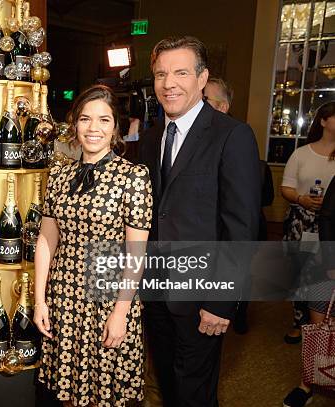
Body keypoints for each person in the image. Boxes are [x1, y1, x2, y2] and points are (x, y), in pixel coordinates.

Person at [138, 36, 261, 406]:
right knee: (167, 384)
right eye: (160, 74)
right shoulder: (151, 137)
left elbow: (242, 226)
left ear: (202, 78)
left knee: (195, 392)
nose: (168, 83)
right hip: (155, 292)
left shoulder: (232, 135)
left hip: (202, 295)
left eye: (180, 72)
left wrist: (222, 301)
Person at [33, 84, 153, 406]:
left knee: (105, 393)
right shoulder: (58, 176)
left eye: (103, 120)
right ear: (75, 124)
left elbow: (136, 255)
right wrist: (40, 300)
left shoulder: (133, 177)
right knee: (68, 390)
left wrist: (122, 312)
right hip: (64, 296)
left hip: (108, 297)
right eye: (85, 119)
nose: (93, 128)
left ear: (116, 127)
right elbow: (47, 239)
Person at [203, 76, 275, 334]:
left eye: (204, 99)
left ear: (222, 107)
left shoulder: (237, 137)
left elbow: (249, 208)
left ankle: (238, 310)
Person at [280, 101, 335, 344]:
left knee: (322, 276)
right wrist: (302, 199)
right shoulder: (301, 154)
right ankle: (299, 320)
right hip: (302, 224)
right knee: (299, 273)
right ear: (323, 121)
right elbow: (286, 188)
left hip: (330, 226)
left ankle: (322, 325)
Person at [282, 177, 335, 407]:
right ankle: (307, 383)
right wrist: (332, 263)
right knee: (319, 324)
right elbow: (328, 217)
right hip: (331, 264)